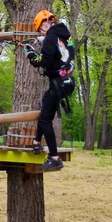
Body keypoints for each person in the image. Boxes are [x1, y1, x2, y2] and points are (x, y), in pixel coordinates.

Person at [25, 10, 75, 172]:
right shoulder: (65, 36)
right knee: (45, 113)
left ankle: (54, 157)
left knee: (45, 118)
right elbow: (58, 50)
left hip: (58, 83)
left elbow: (42, 60)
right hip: (67, 81)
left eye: (40, 29)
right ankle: (36, 142)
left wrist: (30, 53)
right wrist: (41, 40)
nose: (40, 32)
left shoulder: (50, 38)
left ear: (46, 23)